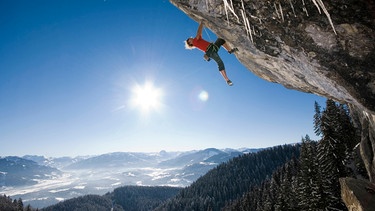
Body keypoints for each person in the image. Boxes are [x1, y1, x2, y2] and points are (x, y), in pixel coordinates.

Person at [185, 21, 238, 86]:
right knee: (220, 62)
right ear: (190, 43)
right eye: (188, 40)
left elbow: (200, 35)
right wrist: (201, 23)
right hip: (210, 50)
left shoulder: (197, 40)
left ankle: (229, 51)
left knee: (221, 41)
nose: (189, 38)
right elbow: (198, 33)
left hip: (212, 48)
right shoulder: (195, 41)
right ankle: (227, 79)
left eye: (189, 39)